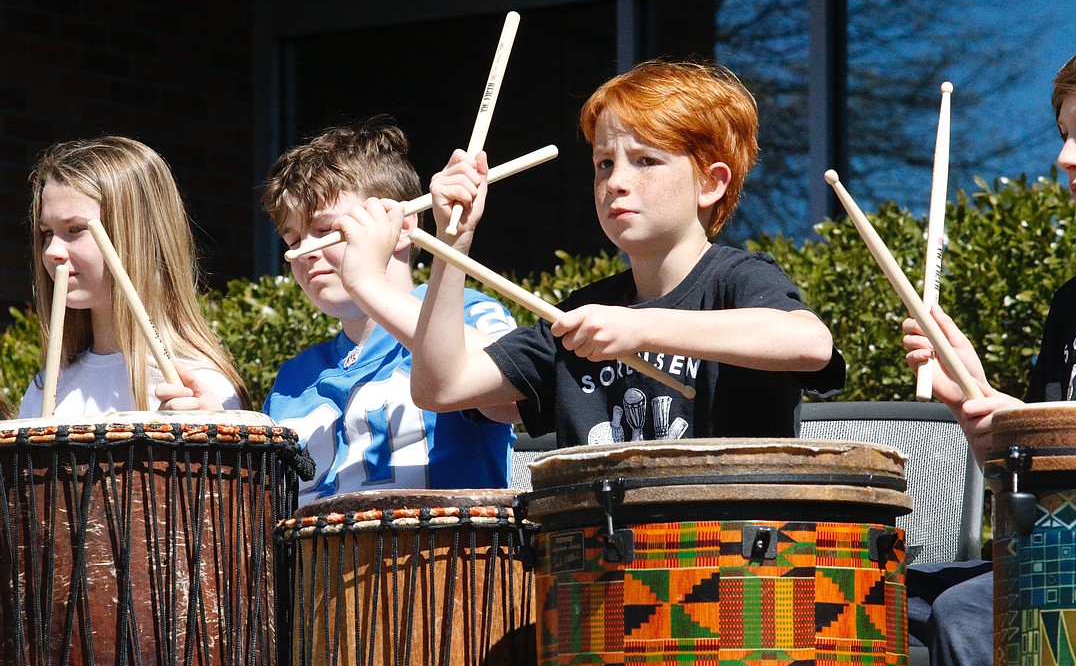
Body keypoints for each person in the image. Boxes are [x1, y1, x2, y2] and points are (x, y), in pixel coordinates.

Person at [902, 20, 1076, 666]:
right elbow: (1033, 493)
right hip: (1073, 550)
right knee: (881, 597)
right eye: (1063, 134)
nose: (1065, 157)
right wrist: (980, 408)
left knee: (973, 612)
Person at [401, 60, 845, 445]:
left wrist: (640, 327)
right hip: (605, 541)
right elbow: (441, 386)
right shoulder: (584, 315)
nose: (615, 181)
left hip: (727, 539)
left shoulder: (736, 278)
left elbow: (809, 342)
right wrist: (451, 242)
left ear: (711, 183)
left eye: (646, 160)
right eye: (604, 164)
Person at [260, 115, 517, 505]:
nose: (301, 253)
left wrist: (370, 283)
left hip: (445, 558)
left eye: (327, 230)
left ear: (401, 225)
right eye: (292, 238)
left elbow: (516, 398)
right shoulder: (293, 377)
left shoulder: (467, 314)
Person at [19, 136, 248, 418]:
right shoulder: (45, 390)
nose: (52, 251)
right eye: (47, 233)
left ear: (136, 237)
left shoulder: (198, 390)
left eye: (75, 229)